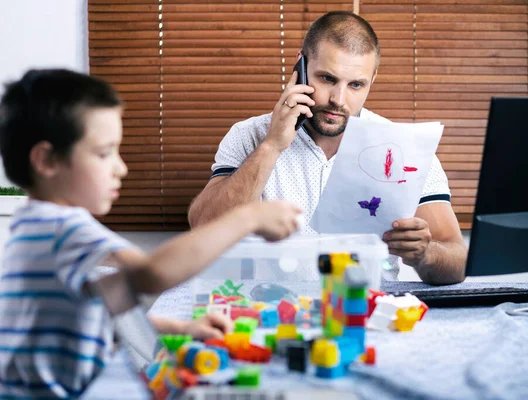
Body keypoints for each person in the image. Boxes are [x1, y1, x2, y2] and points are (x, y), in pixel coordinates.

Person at [0, 69, 301, 398]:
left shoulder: (32, 226)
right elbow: (152, 272)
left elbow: (97, 313)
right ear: (46, 160)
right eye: (104, 153)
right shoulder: (63, 227)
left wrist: (181, 328)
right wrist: (247, 217)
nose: (122, 167)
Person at [188, 11, 467, 285]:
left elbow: (456, 264)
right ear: (301, 66)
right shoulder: (249, 135)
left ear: (373, 80)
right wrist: (272, 145)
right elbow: (204, 230)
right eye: (327, 79)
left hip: (366, 316)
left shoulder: (405, 148)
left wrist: (425, 253)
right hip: (272, 313)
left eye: (356, 84)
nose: (338, 99)